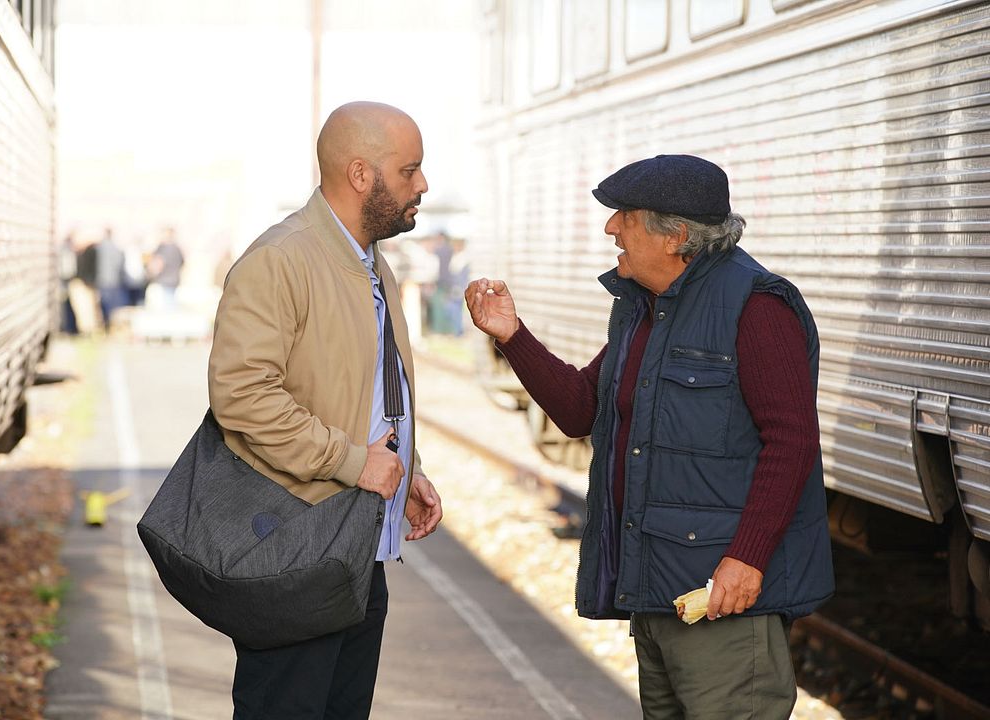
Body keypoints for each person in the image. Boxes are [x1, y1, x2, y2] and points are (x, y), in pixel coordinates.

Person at [466, 154, 833, 719]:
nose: (611, 228)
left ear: (675, 236)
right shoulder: (646, 310)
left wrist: (747, 559)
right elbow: (581, 409)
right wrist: (512, 336)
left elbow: (793, 444)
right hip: (660, 599)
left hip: (723, 604)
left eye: (625, 216)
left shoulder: (757, 307)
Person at [208, 101, 443, 720]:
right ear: (361, 174)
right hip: (296, 548)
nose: (423, 185)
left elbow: (365, 388)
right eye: (410, 170)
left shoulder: (373, 264)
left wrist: (404, 469)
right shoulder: (282, 258)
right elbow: (242, 394)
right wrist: (351, 462)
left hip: (357, 549)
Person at [148, 227, 185, 307]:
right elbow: (182, 262)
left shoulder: (162, 248)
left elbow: (157, 264)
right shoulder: (177, 248)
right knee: (171, 301)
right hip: (174, 279)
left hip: (163, 280)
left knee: (165, 304)